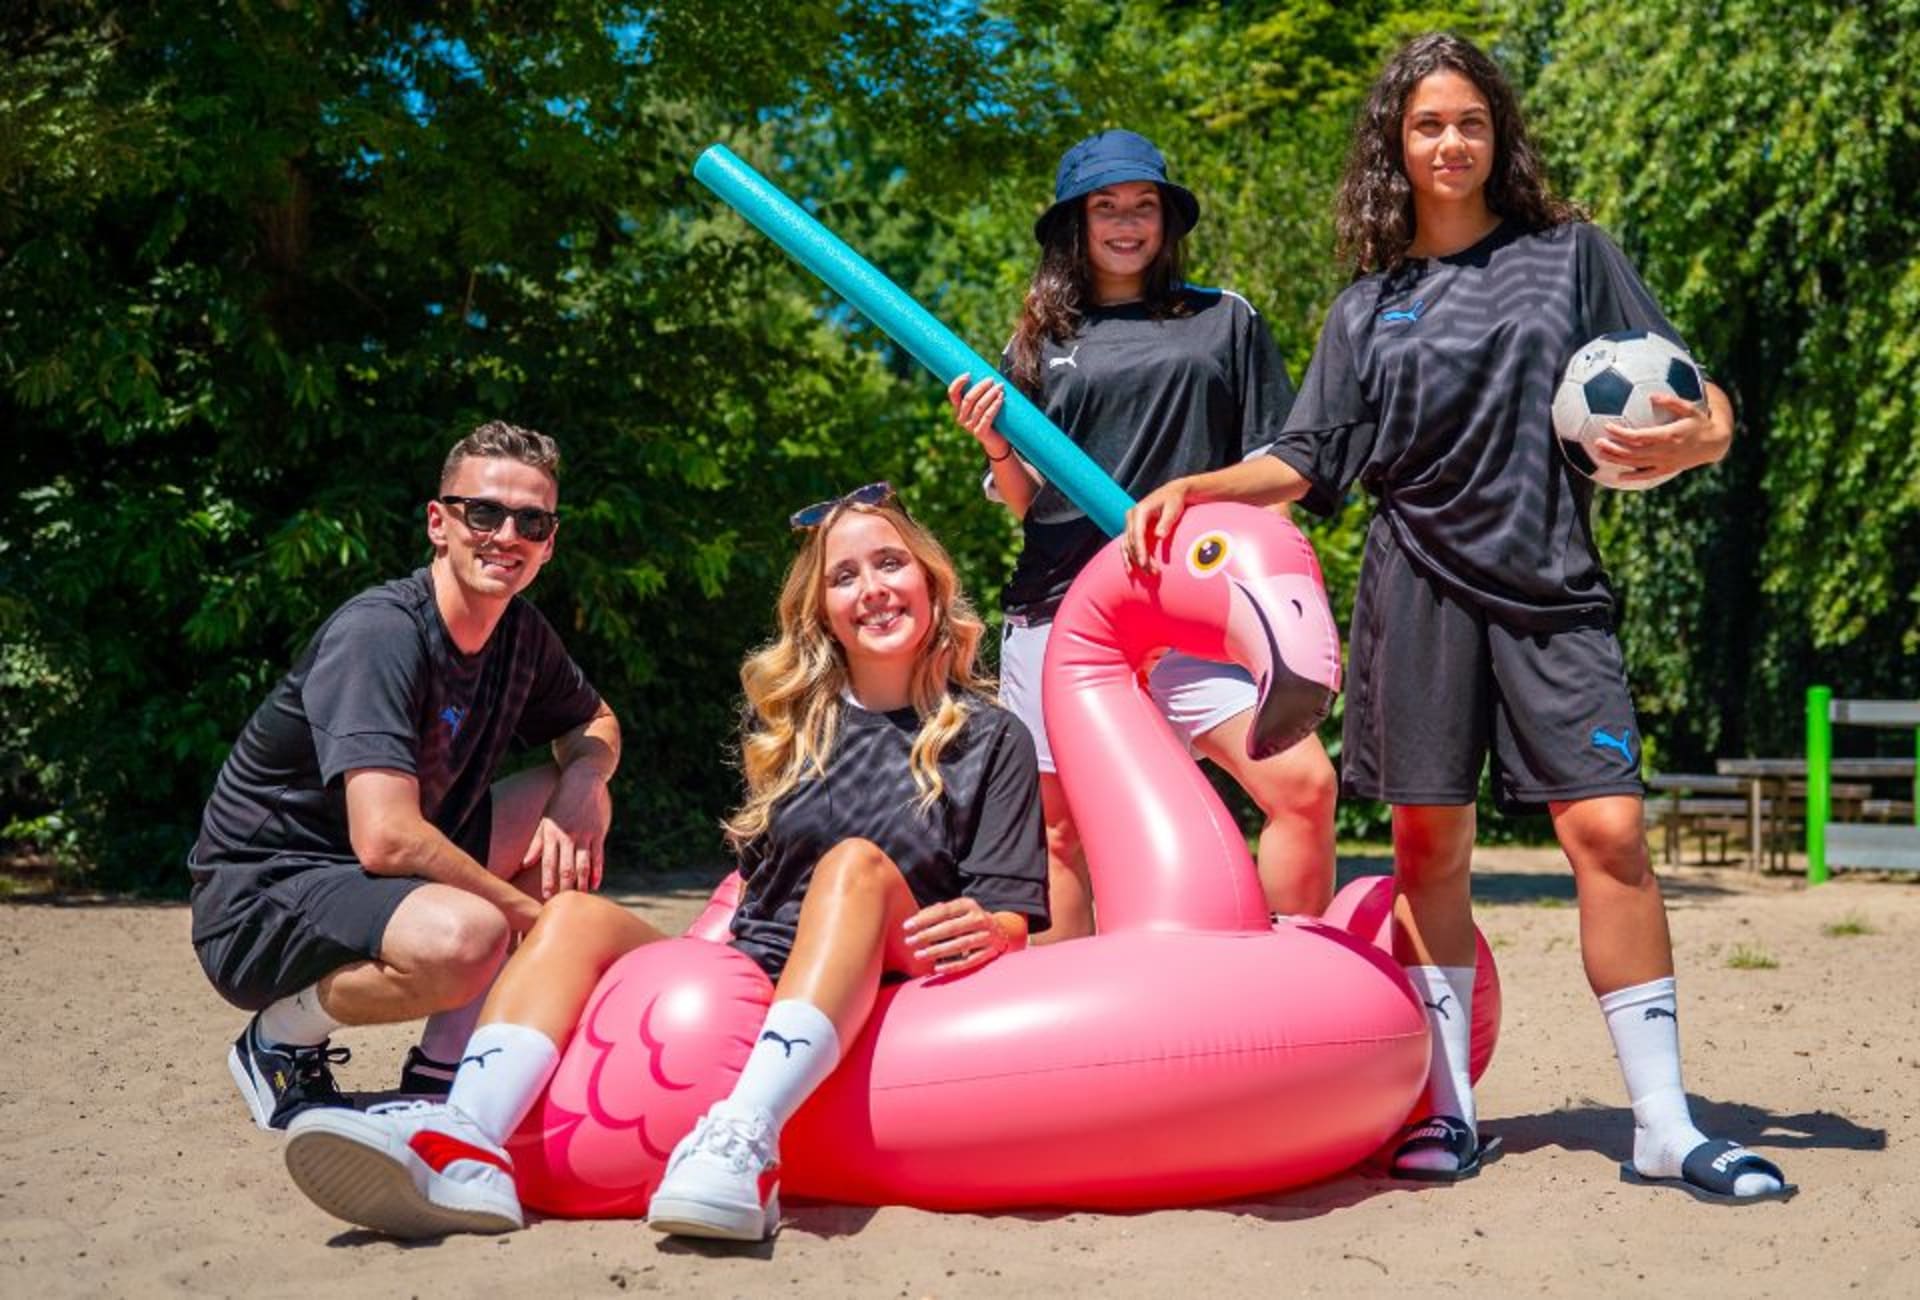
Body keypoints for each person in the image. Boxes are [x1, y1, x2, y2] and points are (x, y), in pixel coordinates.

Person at [1124, 34, 1793, 1202]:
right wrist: (1205, 485)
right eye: (1427, 124)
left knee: (1611, 837)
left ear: (1498, 136)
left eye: (1470, 121)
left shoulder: (1571, 255)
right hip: (1414, 591)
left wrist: (1707, 433)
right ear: (1397, 142)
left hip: (1551, 593)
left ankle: (1664, 1122)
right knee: (1431, 849)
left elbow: (1695, 389)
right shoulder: (1366, 306)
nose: (1450, 142)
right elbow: (1309, 457)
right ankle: (1447, 1110)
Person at [279, 484, 1049, 1241]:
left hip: (879, 974)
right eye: (844, 577)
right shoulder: (789, 729)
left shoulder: (988, 738)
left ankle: (744, 1141)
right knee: (575, 914)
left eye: (889, 564)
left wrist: (1003, 928)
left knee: (852, 864)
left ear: (930, 579)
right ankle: (463, 1138)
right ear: (822, 614)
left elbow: (1011, 908)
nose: (873, 590)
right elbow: (752, 890)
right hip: (752, 975)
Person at [947, 128, 1337, 938]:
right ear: (1075, 224)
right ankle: (1070, 1039)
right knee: (1060, 835)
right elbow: (1027, 505)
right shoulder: (1038, 342)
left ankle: (1296, 985)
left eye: (1143, 206)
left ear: (1167, 221)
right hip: (1064, 617)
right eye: (1106, 207)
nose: (1126, 223)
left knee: (1301, 786)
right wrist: (992, 440)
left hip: (1185, 609)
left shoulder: (1224, 320)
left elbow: (1279, 473)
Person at [188, 421, 620, 1131]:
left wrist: (584, 783)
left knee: (556, 796)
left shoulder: (520, 633)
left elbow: (596, 722)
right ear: (439, 522)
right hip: (263, 899)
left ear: (549, 541)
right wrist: (539, 925)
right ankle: (280, 1040)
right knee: (469, 937)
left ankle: (442, 1073)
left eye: (530, 521)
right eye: (483, 512)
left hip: (369, 878)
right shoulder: (381, 633)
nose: (505, 534)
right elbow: (386, 839)